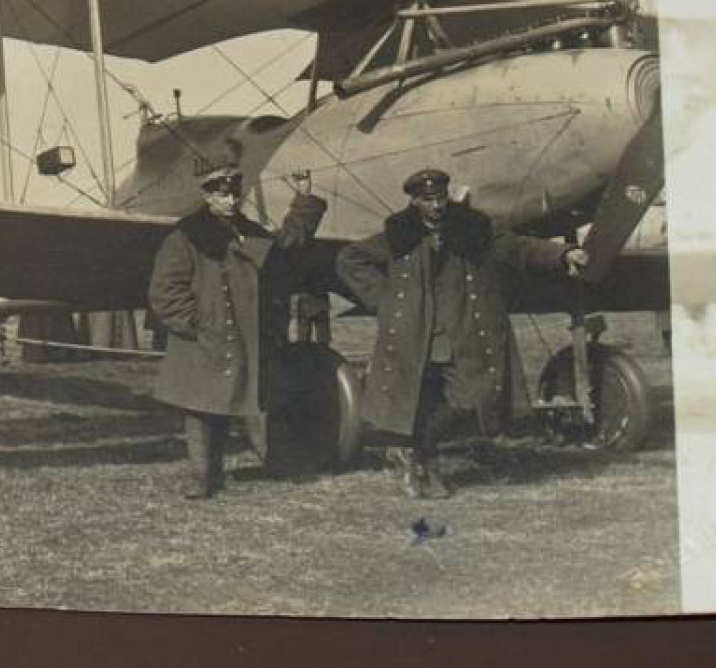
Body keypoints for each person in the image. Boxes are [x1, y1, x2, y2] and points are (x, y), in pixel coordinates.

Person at [336, 168, 588, 499]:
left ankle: (419, 450)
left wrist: (561, 254)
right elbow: (349, 259)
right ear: (414, 202)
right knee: (416, 402)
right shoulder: (399, 234)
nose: (437, 206)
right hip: (417, 336)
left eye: (440, 198)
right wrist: (384, 301)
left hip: (463, 333)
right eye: (428, 200)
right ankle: (419, 467)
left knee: (475, 398)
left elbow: (516, 247)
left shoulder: (472, 228)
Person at [148, 163, 326, 500]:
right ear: (207, 194)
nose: (229, 200)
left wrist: (303, 200)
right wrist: (198, 324)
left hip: (243, 337)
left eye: (233, 194)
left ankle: (273, 459)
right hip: (203, 337)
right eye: (220, 194)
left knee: (248, 398)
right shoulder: (184, 237)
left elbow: (286, 247)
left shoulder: (250, 232)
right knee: (201, 406)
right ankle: (201, 476)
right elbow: (164, 292)